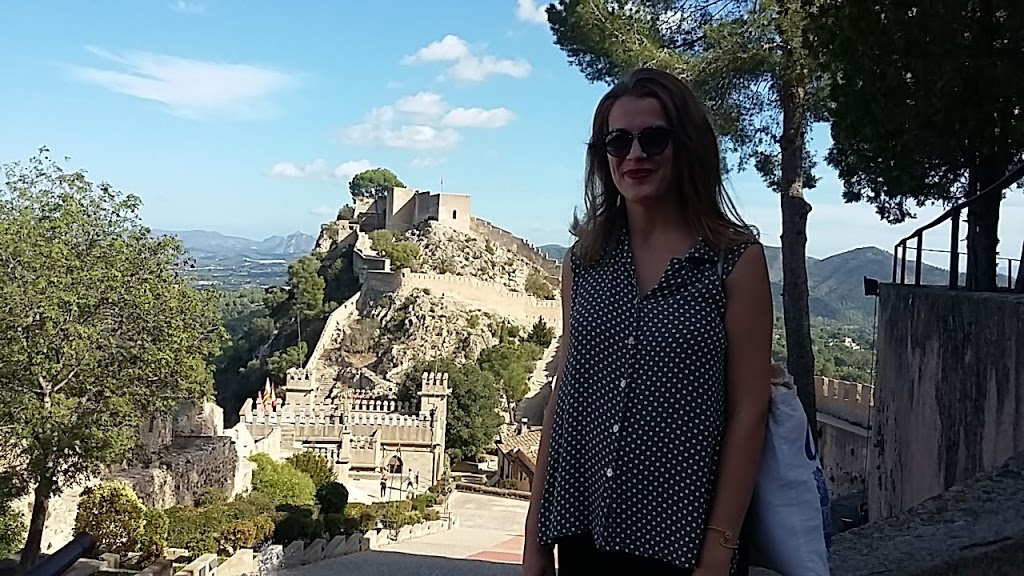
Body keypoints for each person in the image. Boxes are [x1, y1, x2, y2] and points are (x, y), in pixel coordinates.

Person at [522, 68, 773, 576]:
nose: (635, 155)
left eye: (653, 138)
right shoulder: (583, 263)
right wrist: (534, 540)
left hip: (682, 540)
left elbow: (749, 412)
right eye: (618, 141)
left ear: (687, 147)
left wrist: (719, 549)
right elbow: (565, 399)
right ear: (603, 156)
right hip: (582, 531)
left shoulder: (735, 262)